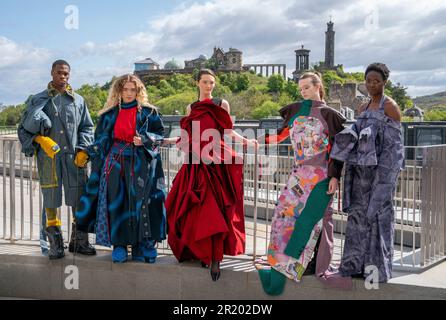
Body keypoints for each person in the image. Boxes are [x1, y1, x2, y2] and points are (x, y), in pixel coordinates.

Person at [255, 72, 346, 295]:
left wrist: (335, 176)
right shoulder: (296, 111)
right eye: (301, 88)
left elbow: (337, 148)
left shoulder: (330, 115)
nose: (303, 91)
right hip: (298, 175)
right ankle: (281, 264)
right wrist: (256, 141)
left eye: (306, 87)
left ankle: (314, 265)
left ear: (318, 86)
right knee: (282, 216)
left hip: (321, 176)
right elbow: (279, 136)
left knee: (315, 220)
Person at [164, 68, 257, 281]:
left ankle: (216, 258)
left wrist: (247, 142)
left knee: (216, 210)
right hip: (196, 163)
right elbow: (188, 135)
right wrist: (167, 141)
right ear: (197, 83)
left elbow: (227, 131)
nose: (209, 86)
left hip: (217, 163)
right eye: (205, 82)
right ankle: (201, 252)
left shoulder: (221, 104)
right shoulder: (191, 107)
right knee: (196, 209)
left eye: (212, 83)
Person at [74, 74, 167, 263]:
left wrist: (145, 140)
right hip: (114, 164)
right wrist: (87, 152)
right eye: (125, 89)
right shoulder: (108, 114)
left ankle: (142, 246)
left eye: (133, 89)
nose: (129, 93)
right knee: (117, 204)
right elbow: (100, 140)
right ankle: (120, 246)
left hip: (142, 164)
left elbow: (160, 136)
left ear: (138, 91)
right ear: (119, 90)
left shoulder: (150, 113)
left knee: (143, 204)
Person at [330, 63, 404, 282]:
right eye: (369, 81)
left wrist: (385, 181)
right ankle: (355, 267)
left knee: (377, 219)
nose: (372, 85)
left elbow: (394, 149)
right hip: (359, 175)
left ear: (384, 82)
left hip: (379, 176)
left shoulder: (390, 107)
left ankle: (376, 272)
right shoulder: (363, 107)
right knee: (358, 219)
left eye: (377, 81)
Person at [18, 59, 96, 260]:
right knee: (51, 198)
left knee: (78, 197)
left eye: (66, 73)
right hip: (48, 158)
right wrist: (40, 139)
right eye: (59, 72)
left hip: (74, 158)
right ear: (52, 73)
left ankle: (79, 242)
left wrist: (84, 149)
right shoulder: (38, 100)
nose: (63, 76)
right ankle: (55, 244)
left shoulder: (78, 100)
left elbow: (87, 127)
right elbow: (23, 129)